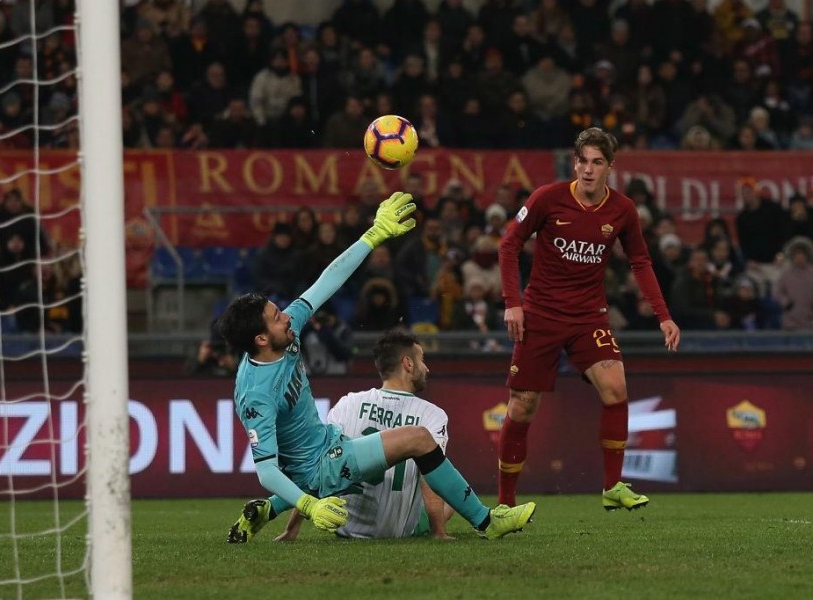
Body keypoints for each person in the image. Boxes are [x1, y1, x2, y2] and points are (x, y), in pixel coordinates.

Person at [221, 193, 536, 543]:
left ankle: (265, 511)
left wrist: (372, 236)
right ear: (261, 340)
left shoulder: (285, 331)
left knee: (389, 448)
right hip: (321, 466)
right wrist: (310, 507)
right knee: (418, 438)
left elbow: (328, 280)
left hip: (325, 446)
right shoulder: (255, 394)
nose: (287, 317)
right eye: (276, 318)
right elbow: (265, 469)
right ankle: (487, 523)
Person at [496, 127, 681, 511]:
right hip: (541, 314)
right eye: (583, 161)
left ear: (610, 167)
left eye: (598, 162)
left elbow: (641, 261)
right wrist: (513, 303)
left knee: (616, 386)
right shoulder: (547, 198)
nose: (589, 169)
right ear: (574, 162)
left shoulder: (623, 210)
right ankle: (504, 503)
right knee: (522, 406)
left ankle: (612, 486)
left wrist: (663, 315)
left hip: (588, 315)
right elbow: (509, 243)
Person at [273, 329, 455, 541]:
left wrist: (292, 529)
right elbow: (430, 479)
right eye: (422, 360)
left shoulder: (347, 404)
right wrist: (439, 533)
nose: (427, 368)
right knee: (450, 495)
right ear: (408, 363)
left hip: (346, 528)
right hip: (398, 531)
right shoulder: (432, 414)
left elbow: (321, 468)